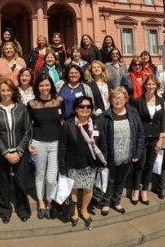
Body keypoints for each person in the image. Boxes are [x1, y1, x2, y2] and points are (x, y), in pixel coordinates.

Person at [58, 96, 107, 229]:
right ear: (75, 109)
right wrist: (62, 168)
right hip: (73, 163)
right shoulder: (68, 125)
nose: (85, 109)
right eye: (81, 106)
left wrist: (102, 162)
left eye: (88, 106)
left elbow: (103, 142)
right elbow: (62, 148)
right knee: (73, 189)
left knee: (87, 188)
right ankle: (74, 211)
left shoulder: (96, 123)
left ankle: (84, 209)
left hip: (91, 163)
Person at [0, 79, 32, 223]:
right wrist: (6, 153)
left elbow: (27, 130)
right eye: (3, 90)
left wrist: (19, 151)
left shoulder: (22, 108)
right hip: (1, 152)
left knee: (21, 182)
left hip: (20, 151)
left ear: (13, 91)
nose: (6, 93)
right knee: (1, 183)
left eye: (8, 90)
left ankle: (23, 209)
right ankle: (4, 210)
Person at [99, 87, 144, 216]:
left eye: (121, 98)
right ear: (110, 100)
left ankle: (116, 201)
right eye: (115, 98)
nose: (118, 100)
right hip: (111, 156)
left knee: (122, 180)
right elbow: (100, 139)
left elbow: (140, 134)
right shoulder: (105, 117)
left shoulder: (133, 113)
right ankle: (106, 203)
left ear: (125, 99)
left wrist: (137, 152)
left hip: (128, 155)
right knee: (110, 180)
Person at [27, 72, 63, 219]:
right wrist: (29, 143)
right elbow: (29, 125)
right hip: (38, 143)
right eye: (41, 85)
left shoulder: (59, 101)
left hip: (56, 143)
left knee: (51, 178)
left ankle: (50, 201)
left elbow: (63, 121)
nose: (44, 88)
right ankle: (41, 202)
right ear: (37, 87)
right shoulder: (32, 104)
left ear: (51, 86)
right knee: (40, 174)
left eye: (47, 85)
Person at [131, 76, 165, 205]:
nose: (151, 86)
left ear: (156, 86)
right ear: (145, 86)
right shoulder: (137, 101)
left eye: (153, 84)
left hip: (155, 138)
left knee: (149, 165)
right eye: (149, 84)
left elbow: (162, 121)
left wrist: (161, 139)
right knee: (139, 165)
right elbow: (135, 121)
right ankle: (135, 190)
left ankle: (144, 190)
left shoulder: (160, 101)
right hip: (141, 138)